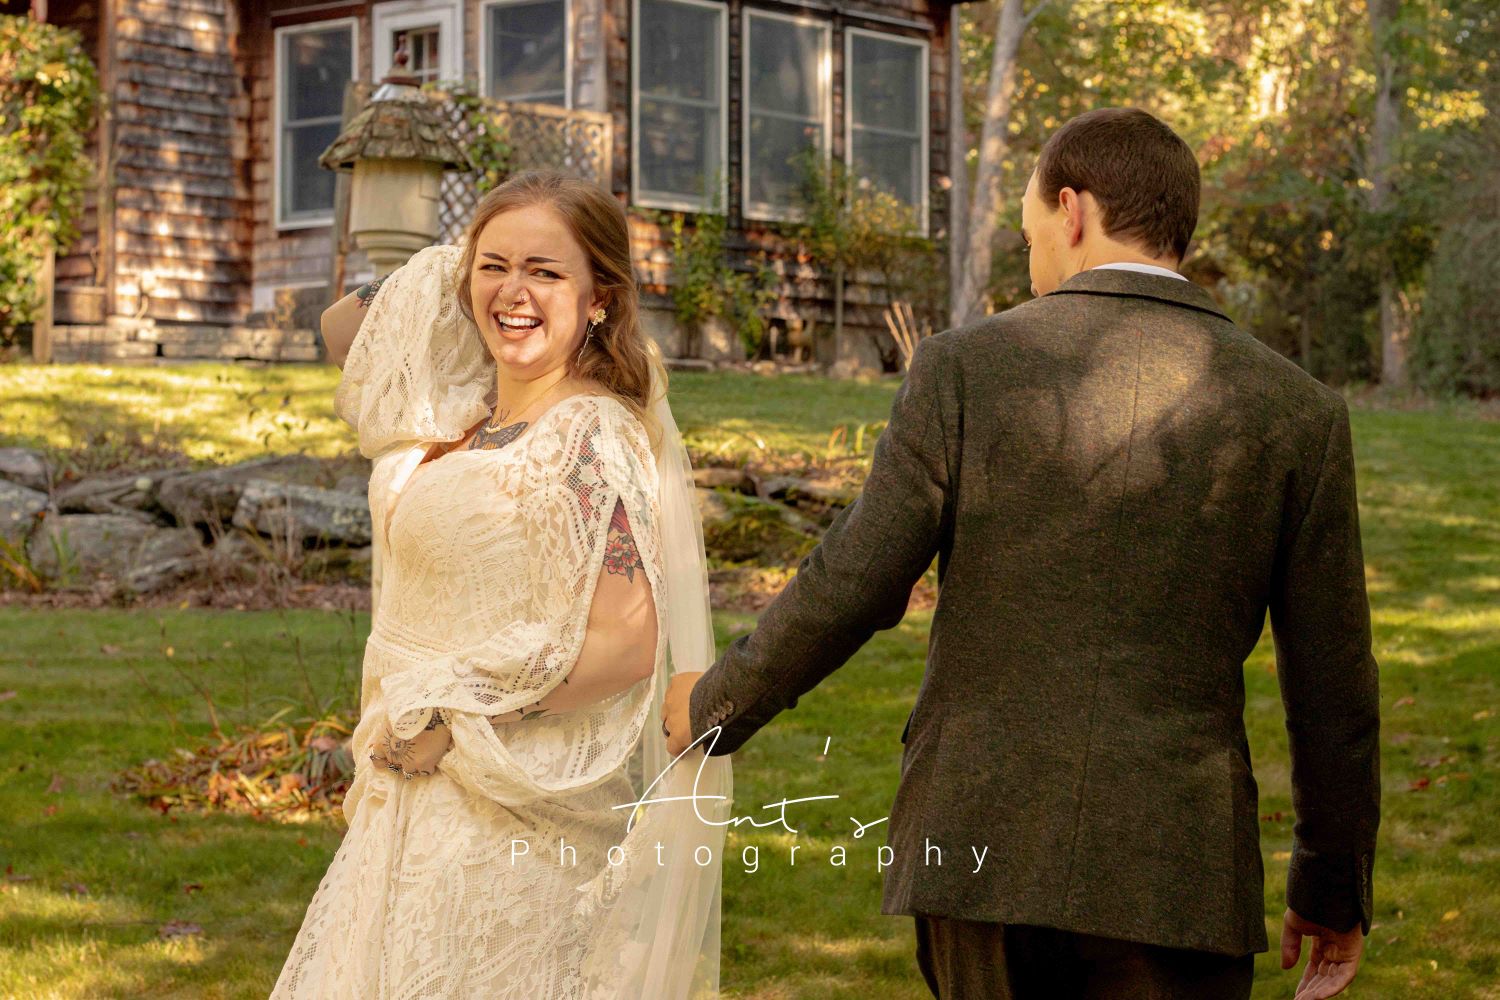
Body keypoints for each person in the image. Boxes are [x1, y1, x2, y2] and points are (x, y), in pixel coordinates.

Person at [663, 107, 1379, 1000]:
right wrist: (1331, 887)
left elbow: (855, 578)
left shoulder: (963, 369)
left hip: (980, 848)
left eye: (1031, 232)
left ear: (1072, 211)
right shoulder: (1298, 411)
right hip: (1176, 869)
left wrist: (715, 706)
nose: (1031, 256)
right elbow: (1333, 682)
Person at [272, 170, 733, 999]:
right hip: (405, 788)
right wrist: (474, 257)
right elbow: (342, 327)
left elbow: (627, 646)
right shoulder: (466, 408)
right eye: (495, 268)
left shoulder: (590, 436)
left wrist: (458, 719)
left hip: (498, 807)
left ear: (600, 298)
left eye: (547, 273)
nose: (515, 294)